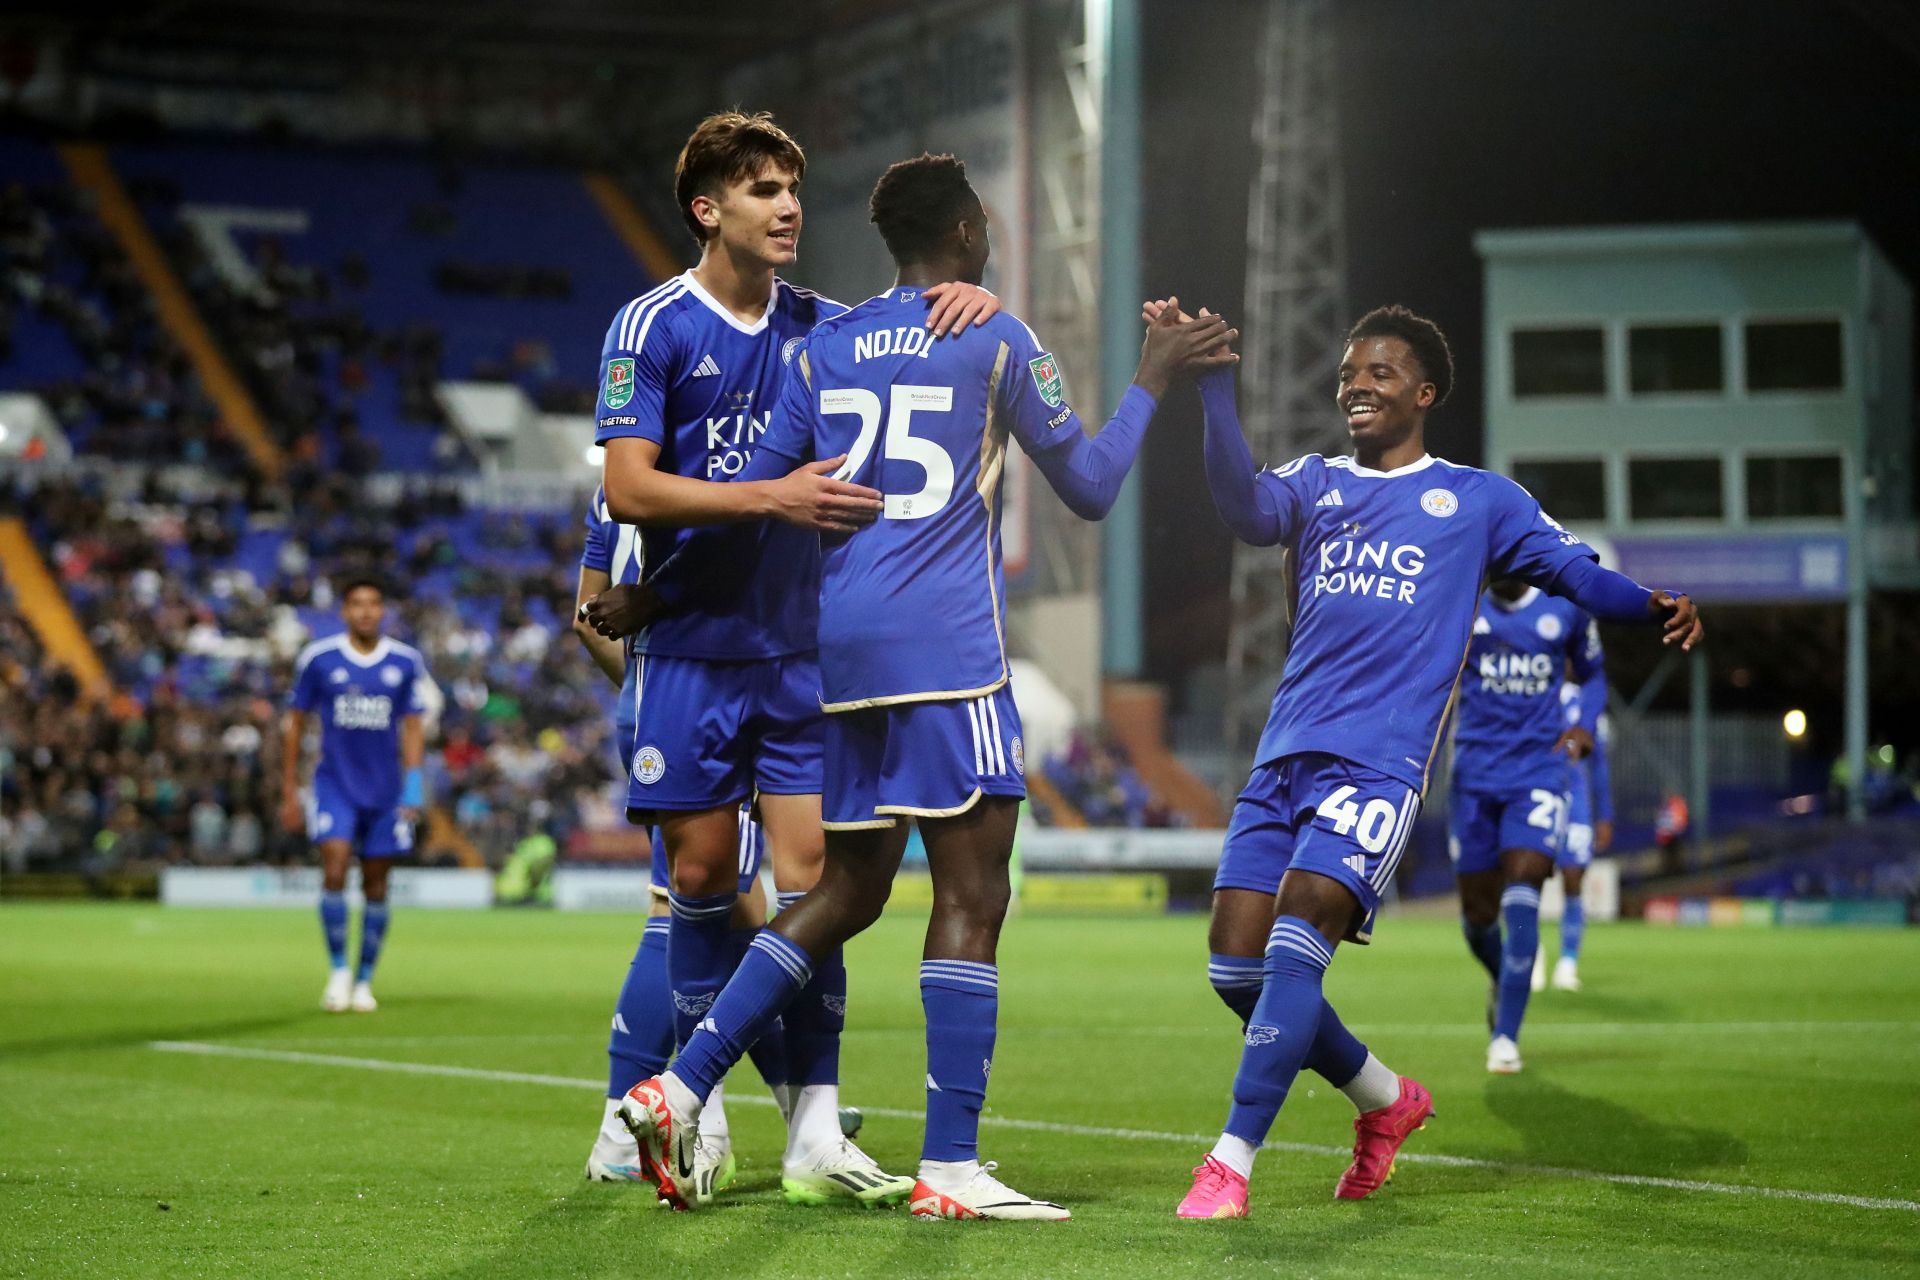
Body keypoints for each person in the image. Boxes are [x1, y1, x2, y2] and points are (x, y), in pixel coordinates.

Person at [611, 152, 1235, 1218]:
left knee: (847, 889)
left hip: (838, 651)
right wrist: (1153, 377)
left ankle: (677, 1083)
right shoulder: (992, 333)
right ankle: (951, 1163)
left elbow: (759, 486)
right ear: (968, 232)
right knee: (973, 894)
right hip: (949, 650)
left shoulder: (826, 346)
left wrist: (652, 593)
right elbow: (1085, 486)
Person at [1175, 302, 1701, 1220]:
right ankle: (1385, 1099)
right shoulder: (1315, 482)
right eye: (1347, 374)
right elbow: (1242, 507)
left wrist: (1649, 604)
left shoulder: (1477, 501)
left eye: (1377, 373)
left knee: (1297, 952)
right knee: (1234, 971)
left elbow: (1577, 573)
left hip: (1379, 764)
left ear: (1423, 392)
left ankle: (1229, 1164)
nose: (1355, 387)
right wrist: (1215, 387)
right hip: (1284, 754)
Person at [588, 112, 999, 1206]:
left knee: (820, 878)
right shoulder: (652, 325)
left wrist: (981, 297)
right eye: (760, 188)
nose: (786, 206)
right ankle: (697, 1114)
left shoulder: (828, 323)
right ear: (706, 209)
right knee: (702, 881)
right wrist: (769, 494)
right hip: (689, 647)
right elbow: (628, 488)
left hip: (806, 653)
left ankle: (814, 1124)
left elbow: (928, 327)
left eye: (792, 188)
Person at [572, 485, 843, 1194]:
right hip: (710, 687)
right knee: (690, 907)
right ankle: (635, 1121)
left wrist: (637, 690)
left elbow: (585, 616)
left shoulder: (616, 492)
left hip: (662, 694)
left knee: (734, 910)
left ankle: (775, 1109)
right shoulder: (719, 481)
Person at [1449, 579, 1604, 1073]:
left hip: (1538, 770)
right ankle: (1503, 975)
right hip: (1473, 775)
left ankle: (1505, 1036)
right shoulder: (1459, 606)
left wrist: (1585, 725)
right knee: (1477, 917)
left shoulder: (1566, 611)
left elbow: (1595, 673)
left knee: (1525, 890)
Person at [279, 576, 431, 1013]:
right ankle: (338, 971)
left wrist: (415, 786)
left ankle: (365, 979)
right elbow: (296, 723)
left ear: (383, 610)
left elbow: (414, 724)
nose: (365, 611)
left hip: (386, 791)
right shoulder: (320, 659)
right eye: (356, 604)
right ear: (344, 611)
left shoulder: (404, 662)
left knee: (377, 882)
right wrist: (290, 790)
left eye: (373, 603)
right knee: (335, 867)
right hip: (334, 785)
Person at [1539, 681, 1614, 993]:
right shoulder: (1536, 689)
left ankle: (1568, 962)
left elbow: (1598, 763)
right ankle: (1532, 957)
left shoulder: (1588, 702)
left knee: (1573, 878)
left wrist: (1605, 815)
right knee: (1527, 874)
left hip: (1577, 801)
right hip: (1538, 794)